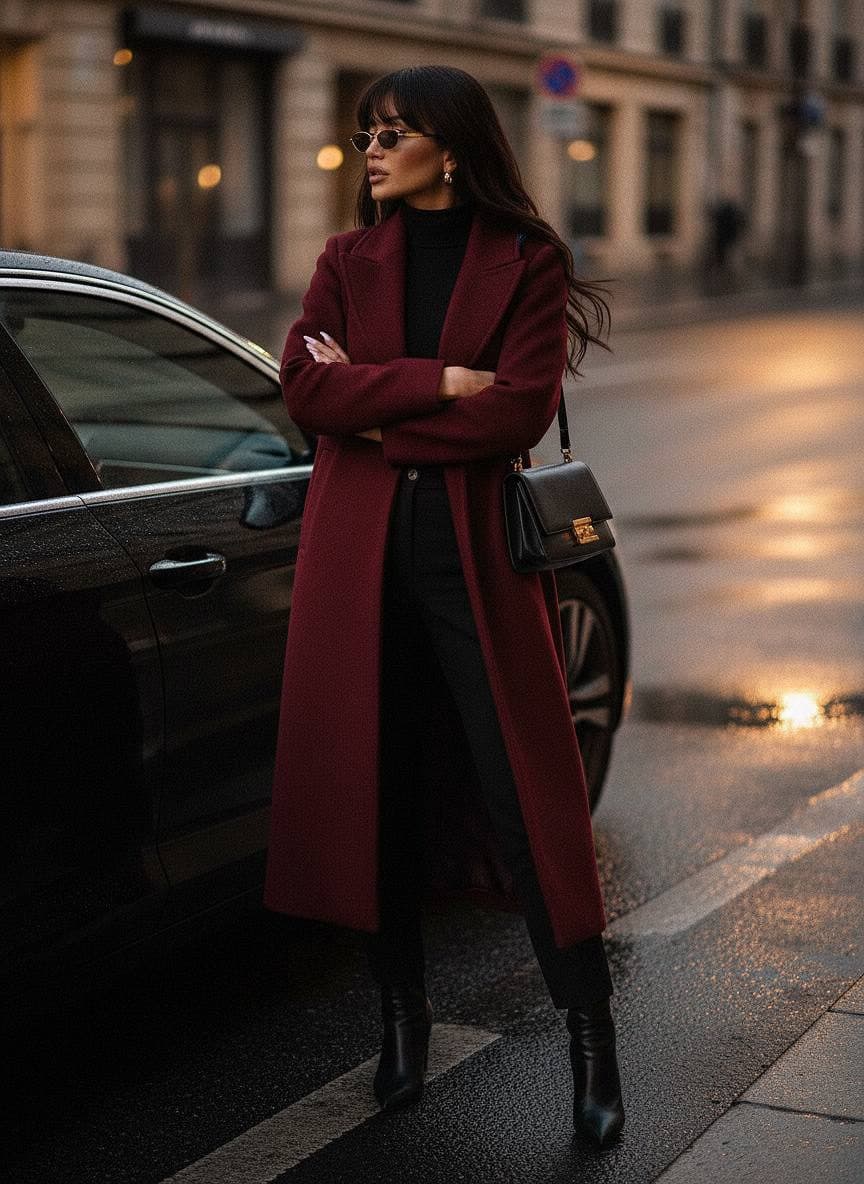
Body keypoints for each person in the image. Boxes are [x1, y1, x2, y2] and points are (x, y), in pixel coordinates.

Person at [263, 65, 624, 1148]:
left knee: (528, 798)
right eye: (366, 133)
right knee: (379, 791)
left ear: (450, 149)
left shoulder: (528, 259)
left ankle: (592, 1039)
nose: (369, 151)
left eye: (392, 132)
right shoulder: (344, 259)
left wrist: (377, 408)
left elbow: (513, 412)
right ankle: (401, 1022)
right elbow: (302, 388)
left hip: (472, 561)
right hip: (357, 560)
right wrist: (437, 384)